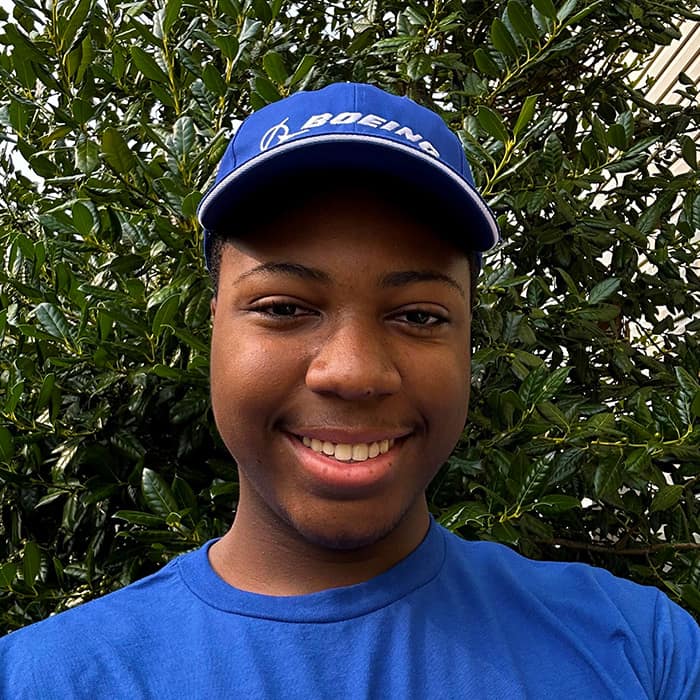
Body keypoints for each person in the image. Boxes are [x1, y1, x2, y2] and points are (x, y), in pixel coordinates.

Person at [1, 82, 698, 699]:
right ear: (212, 323)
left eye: (419, 315)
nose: (355, 371)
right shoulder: (46, 678)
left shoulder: (643, 651)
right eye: (283, 306)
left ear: (467, 337)